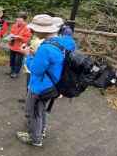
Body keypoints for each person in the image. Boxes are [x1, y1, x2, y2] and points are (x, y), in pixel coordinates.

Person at [16, 14, 76, 147]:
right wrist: (35, 56)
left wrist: (28, 56)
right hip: (55, 84)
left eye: (35, 29)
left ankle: (35, 138)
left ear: (42, 30)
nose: (34, 32)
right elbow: (53, 62)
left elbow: (35, 70)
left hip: (41, 86)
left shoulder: (45, 47)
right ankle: (41, 131)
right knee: (41, 109)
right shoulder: (62, 42)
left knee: (33, 111)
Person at [8, 12, 32, 78]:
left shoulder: (27, 28)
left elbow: (28, 39)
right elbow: (11, 32)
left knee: (18, 60)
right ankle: (12, 70)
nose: (18, 19)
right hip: (13, 45)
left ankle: (16, 72)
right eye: (17, 18)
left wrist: (19, 37)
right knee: (12, 59)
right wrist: (10, 36)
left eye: (20, 18)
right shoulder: (14, 25)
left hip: (20, 47)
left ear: (24, 19)